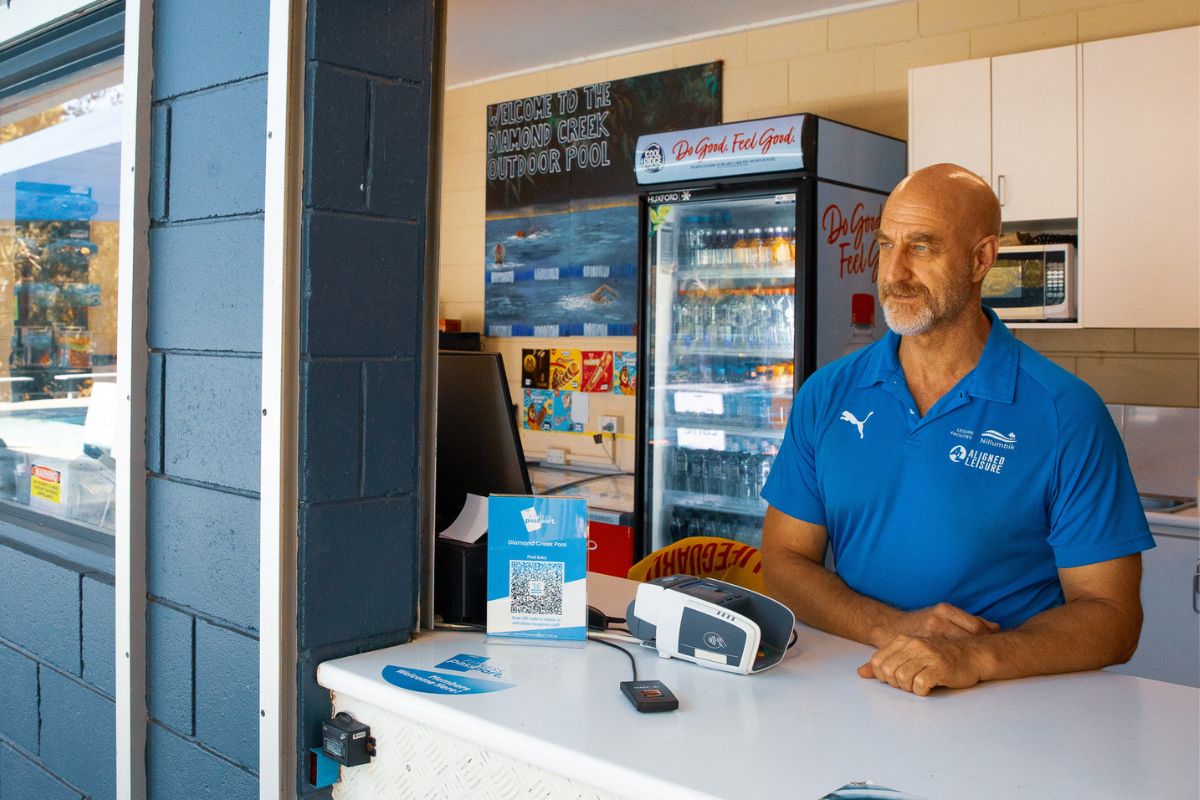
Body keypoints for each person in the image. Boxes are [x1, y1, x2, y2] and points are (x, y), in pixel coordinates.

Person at [760, 163, 1152, 697]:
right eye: (885, 245)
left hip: (1011, 707)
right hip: (857, 687)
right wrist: (891, 629)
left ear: (981, 258)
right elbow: (783, 561)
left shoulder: (1066, 413)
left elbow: (1112, 616)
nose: (894, 272)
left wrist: (973, 655)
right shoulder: (826, 395)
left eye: (921, 247)